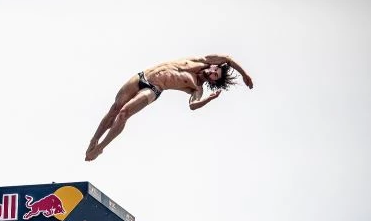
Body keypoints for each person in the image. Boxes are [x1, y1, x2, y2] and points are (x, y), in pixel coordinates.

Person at [85, 54, 254, 161]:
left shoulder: (197, 87)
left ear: (213, 82)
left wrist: (208, 99)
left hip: (153, 89)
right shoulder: (201, 61)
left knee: (123, 113)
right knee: (115, 108)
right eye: (214, 71)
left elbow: (193, 106)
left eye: (214, 77)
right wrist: (244, 74)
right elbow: (228, 59)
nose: (211, 74)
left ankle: (101, 148)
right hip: (142, 76)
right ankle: (94, 139)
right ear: (213, 65)